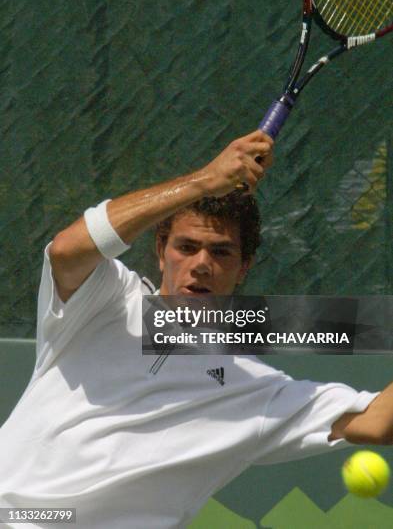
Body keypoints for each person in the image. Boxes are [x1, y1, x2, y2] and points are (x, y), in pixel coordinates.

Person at [0, 130, 392, 529]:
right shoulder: (105, 299)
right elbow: (67, 250)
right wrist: (204, 180)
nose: (202, 263)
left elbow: (378, 422)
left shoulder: (256, 389)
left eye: (221, 252)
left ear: (244, 268)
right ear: (160, 251)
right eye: (186, 247)